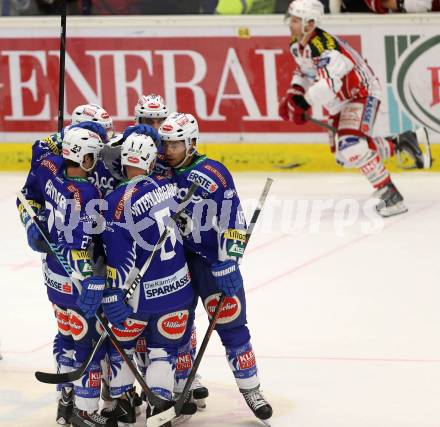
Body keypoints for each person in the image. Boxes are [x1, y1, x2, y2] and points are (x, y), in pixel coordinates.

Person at [158, 112, 273, 424]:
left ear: (192, 143)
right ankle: (183, 389)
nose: (168, 149)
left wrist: (229, 261)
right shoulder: (157, 173)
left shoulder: (214, 173)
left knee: (232, 323)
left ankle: (251, 388)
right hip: (174, 266)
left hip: (211, 263)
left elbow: (234, 220)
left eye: (175, 144)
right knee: (175, 329)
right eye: (165, 143)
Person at [278, 0, 432, 217]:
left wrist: (304, 103)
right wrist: (293, 94)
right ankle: (401, 142)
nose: (291, 24)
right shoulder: (298, 45)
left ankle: (391, 195)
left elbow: (331, 84)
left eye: (296, 20)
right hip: (341, 101)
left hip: (362, 93)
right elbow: (304, 73)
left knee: (352, 145)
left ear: (310, 23)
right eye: (291, 19)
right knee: (343, 155)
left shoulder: (324, 47)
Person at [17, 126, 118, 427]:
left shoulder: (50, 174)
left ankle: (65, 401)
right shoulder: (88, 193)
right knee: (88, 342)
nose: (95, 162)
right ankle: (84, 413)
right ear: (78, 155)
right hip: (77, 282)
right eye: (90, 156)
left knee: (67, 335)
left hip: (53, 277)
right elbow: (79, 246)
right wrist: (91, 279)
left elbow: (36, 164)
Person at [97, 131, 197, 425]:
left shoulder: (117, 200)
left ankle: (122, 404)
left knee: (121, 346)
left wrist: (114, 293)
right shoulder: (169, 187)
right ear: (152, 161)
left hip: (139, 297)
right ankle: (160, 409)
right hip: (178, 292)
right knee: (163, 352)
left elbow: (118, 257)